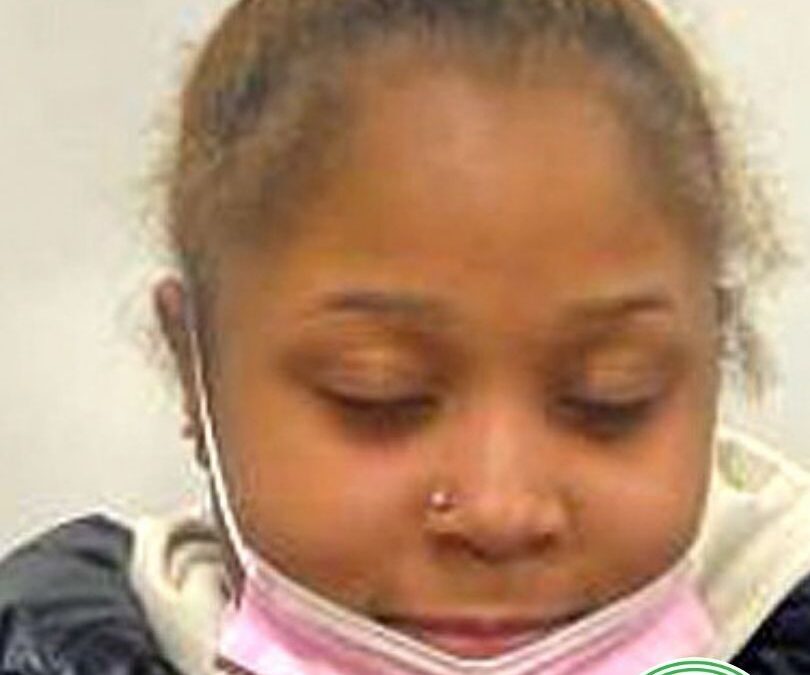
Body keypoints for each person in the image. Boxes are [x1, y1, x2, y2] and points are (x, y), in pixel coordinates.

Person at [1, 0, 809, 673]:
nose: (500, 510)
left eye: (612, 396)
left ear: (709, 359)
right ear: (194, 365)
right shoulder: (49, 647)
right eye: (378, 392)